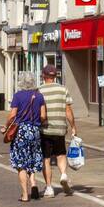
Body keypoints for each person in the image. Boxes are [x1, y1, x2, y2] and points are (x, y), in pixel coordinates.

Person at [2, 72, 47, 202]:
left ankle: (25, 195)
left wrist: (6, 127)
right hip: (35, 131)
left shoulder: (18, 96)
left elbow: (12, 115)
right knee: (33, 158)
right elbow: (43, 116)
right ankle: (33, 184)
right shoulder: (39, 96)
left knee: (21, 163)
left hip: (21, 131)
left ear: (21, 82)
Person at [37, 65, 76, 196]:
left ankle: (49, 187)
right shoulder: (62, 89)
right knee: (61, 154)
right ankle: (63, 174)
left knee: (46, 158)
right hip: (60, 128)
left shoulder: (39, 91)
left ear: (43, 76)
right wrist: (73, 126)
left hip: (45, 129)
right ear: (55, 76)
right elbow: (68, 110)